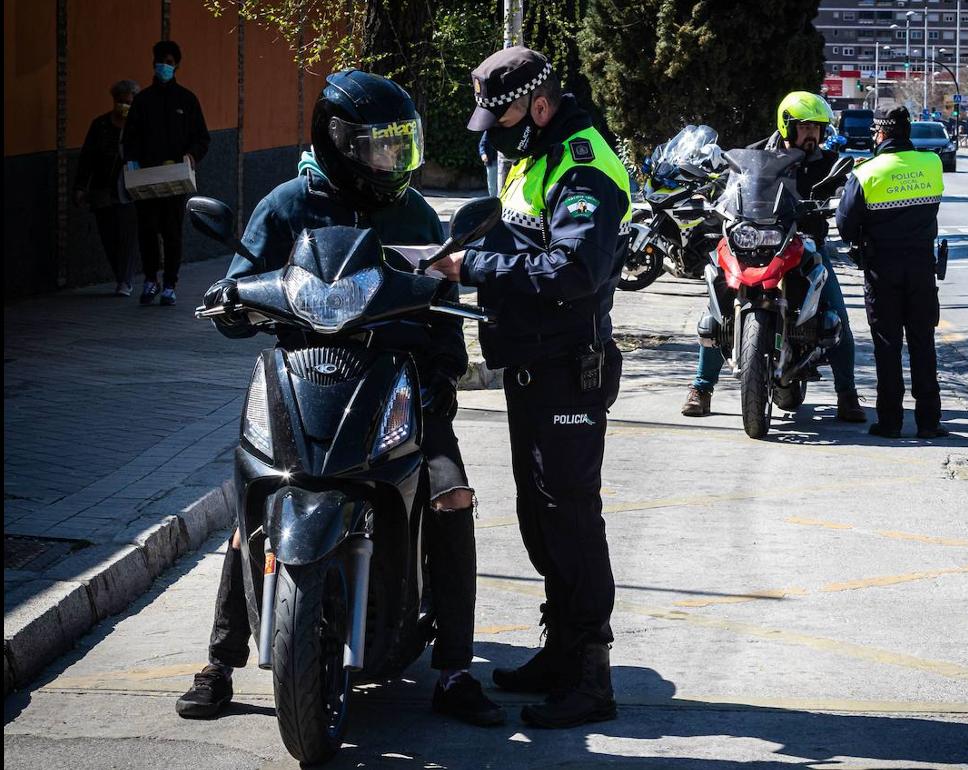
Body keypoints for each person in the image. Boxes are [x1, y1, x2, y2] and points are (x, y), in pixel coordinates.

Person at [174, 71, 503, 728]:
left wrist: (445, 368)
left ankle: (457, 667)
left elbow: (441, 299)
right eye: (379, 146)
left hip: (397, 385)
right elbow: (242, 280)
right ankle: (219, 661)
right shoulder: (288, 205)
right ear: (339, 144)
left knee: (451, 493)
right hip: (305, 378)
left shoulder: (411, 214)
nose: (393, 159)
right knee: (255, 497)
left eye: (399, 145)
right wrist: (232, 304)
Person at [429, 46, 629, 729]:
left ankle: (592, 678)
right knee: (541, 520)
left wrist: (471, 267)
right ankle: (561, 652)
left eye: (504, 113)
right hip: (531, 367)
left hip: (567, 370)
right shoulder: (535, 156)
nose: (495, 128)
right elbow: (523, 239)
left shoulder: (581, 164)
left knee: (572, 521)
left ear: (539, 104)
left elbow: (571, 270)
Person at [680, 91, 866, 422]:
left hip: (804, 244)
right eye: (805, 127)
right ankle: (700, 388)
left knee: (837, 316)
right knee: (719, 309)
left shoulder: (825, 161)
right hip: (755, 242)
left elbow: (842, 187)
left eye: (817, 128)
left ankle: (847, 395)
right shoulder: (753, 155)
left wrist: (838, 197)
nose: (812, 135)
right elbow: (729, 184)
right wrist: (712, 199)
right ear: (786, 126)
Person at [835, 106, 947, 439]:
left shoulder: (867, 172)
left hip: (882, 269)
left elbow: (844, 223)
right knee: (923, 343)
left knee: (888, 346)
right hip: (922, 268)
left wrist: (861, 240)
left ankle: (890, 422)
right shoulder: (932, 163)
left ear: (881, 134)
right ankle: (929, 422)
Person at [122, 40, 210, 306]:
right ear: (154, 64)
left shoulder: (186, 100)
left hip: (175, 177)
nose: (164, 67)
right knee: (147, 230)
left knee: (172, 232)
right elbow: (131, 137)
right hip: (146, 177)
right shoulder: (142, 101)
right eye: (160, 62)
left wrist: (191, 156)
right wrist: (131, 160)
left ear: (177, 66)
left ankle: (170, 283)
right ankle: (150, 280)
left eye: (169, 63)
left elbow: (202, 137)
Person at [74, 79, 140, 296]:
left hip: (130, 189)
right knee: (109, 235)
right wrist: (81, 186)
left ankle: (125, 280)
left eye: (129, 102)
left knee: (127, 235)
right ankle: (120, 275)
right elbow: (87, 158)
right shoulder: (100, 125)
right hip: (103, 188)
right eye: (121, 102)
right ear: (114, 101)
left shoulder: (139, 126)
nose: (125, 106)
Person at [479, 132, 499, 197]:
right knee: (492, 184)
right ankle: (493, 200)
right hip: (491, 161)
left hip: (503, 160)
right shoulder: (488, 132)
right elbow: (482, 145)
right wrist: (483, 154)